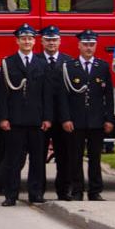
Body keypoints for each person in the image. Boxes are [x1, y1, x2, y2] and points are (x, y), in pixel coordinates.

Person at [0, 25, 52, 207]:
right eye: (23, 38)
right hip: (15, 120)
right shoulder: (8, 63)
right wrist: (3, 117)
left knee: (37, 160)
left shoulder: (42, 64)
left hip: (36, 119)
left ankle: (35, 194)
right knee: (13, 160)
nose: (27, 42)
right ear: (17, 41)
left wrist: (47, 118)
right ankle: (11, 195)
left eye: (30, 38)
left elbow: (47, 94)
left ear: (34, 41)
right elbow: (2, 94)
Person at [59, 30, 113, 202]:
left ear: (96, 46)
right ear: (79, 45)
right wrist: (66, 118)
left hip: (96, 121)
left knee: (95, 158)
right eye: (86, 44)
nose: (89, 48)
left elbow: (109, 95)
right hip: (76, 121)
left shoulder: (103, 66)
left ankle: (95, 191)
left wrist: (109, 119)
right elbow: (63, 96)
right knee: (75, 158)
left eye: (92, 44)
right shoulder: (69, 67)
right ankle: (77, 191)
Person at [39, 25, 79, 200]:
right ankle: (38, 192)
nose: (51, 43)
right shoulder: (36, 60)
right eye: (48, 40)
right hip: (42, 118)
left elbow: (72, 94)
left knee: (64, 157)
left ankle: (64, 191)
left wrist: (68, 117)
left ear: (60, 41)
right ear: (42, 41)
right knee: (39, 157)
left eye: (54, 40)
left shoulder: (68, 62)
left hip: (63, 118)